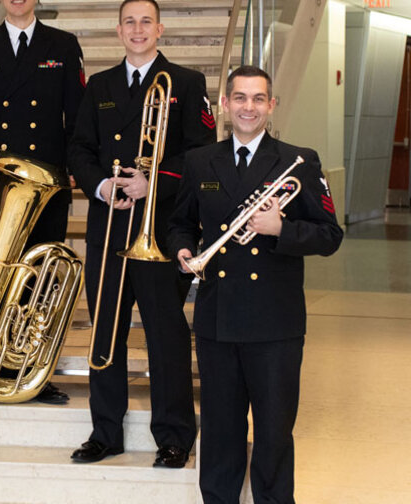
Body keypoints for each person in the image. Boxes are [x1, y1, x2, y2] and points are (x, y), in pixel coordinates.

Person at [169, 65, 343, 503]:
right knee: (222, 431)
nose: (249, 107)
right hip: (218, 320)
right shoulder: (199, 160)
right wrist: (183, 250)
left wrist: (281, 228)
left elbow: (329, 235)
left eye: (258, 98)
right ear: (225, 104)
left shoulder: (298, 161)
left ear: (272, 105)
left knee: (273, 434)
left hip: (275, 325)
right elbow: (180, 224)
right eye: (240, 98)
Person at [67, 0, 216, 466]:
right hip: (110, 228)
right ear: (118, 30)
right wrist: (103, 184)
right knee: (104, 335)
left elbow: (201, 152)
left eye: (145, 22)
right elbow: (79, 148)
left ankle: (174, 436)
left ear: (160, 29)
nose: (137, 29)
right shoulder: (100, 85)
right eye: (129, 22)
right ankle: (105, 432)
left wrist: (153, 182)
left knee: (166, 337)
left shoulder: (187, 84)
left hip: (162, 228)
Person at [0, 0, 85, 405]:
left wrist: (76, 164)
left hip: (46, 184)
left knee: (40, 280)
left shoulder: (63, 44)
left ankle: (31, 373)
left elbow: (77, 114)